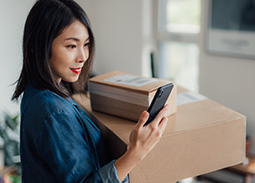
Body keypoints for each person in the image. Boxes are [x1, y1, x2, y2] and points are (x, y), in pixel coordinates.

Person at [11, 0, 169, 182]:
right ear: (38, 46)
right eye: (71, 46)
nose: (83, 56)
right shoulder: (53, 112)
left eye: (86, 44)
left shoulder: (39, 91)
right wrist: (136, 152)